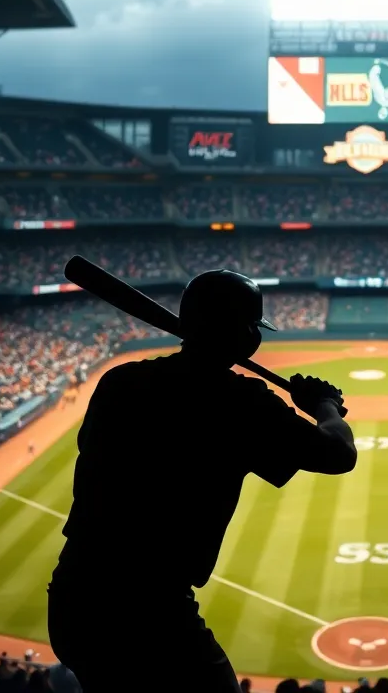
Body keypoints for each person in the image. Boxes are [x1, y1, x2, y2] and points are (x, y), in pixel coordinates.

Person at [47, 269, 358, 692]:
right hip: (149, 608)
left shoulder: (120, 381)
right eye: (253, 326)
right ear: (244, 334)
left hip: (74, 597)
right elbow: (339, 454)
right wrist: (324, 405)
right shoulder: (242, 402)